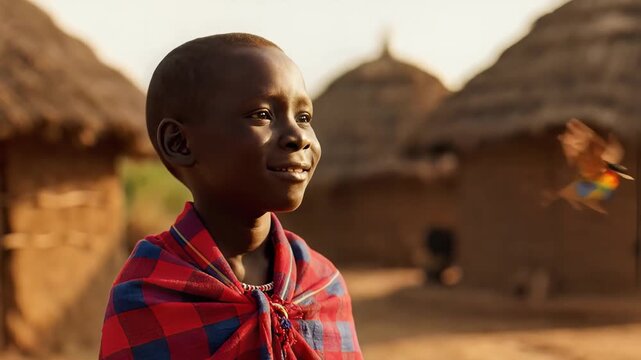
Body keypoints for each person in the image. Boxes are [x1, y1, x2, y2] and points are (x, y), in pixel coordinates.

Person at [100, 33, 362, 360]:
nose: (298, 137)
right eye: (262, 115)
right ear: (179, 143)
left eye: (304, 117)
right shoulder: (148, 293)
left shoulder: (322, 286)